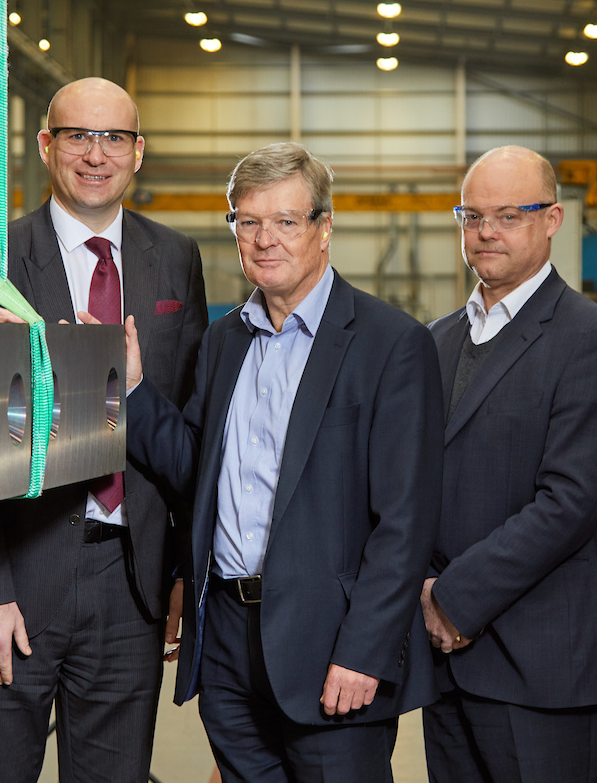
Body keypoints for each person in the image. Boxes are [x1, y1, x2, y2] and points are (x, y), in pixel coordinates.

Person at [122, 142, 442, 782]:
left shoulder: (390, 344)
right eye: (248, 221)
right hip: (229, 646)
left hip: (330, 647)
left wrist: (365, 652)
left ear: (325, 228)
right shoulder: (224, 341)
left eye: (286, 221)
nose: (265, 239)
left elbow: (405, 522)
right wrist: (132, 390)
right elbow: (194, 473)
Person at [0, 78, 208, 782]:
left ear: (138, 151)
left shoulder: (177, 257)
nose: (97, 154)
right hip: (19, 583)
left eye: (114, 137)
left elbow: (186, 422)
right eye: (77, 136)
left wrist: (181, 570)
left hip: (133, 585)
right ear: (44, 145)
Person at [419, 146, 597, 783]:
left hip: (538, 662)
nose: (486, 231)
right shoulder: (434, 342)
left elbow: (570, 503)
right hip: (444, 660)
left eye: (510, 214)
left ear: (552, 220)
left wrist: (455, 599)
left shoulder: (592, 340)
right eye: (472, 215)